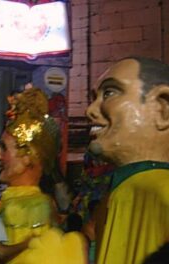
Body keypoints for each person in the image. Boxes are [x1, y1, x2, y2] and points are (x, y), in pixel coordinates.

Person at [86, 56, 169, 264]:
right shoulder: (119, 192)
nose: (90, 111)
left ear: (162, 109)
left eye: (109, 93)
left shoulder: (160, 193)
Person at [0, 86, 86, 263]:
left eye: (4, 148)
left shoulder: (17, 207)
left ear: (28, 156)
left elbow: (2, 254)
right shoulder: (47, 202)